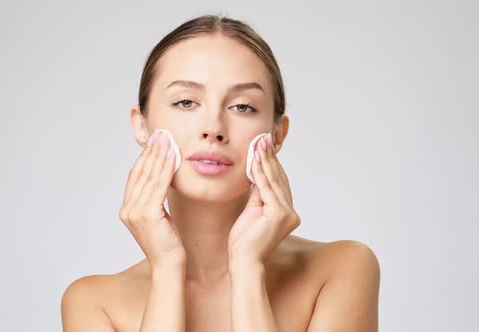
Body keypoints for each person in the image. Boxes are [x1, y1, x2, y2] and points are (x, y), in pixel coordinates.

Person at [61, 14, 380, 332]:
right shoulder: (93, 303)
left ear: (278, 134)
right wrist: (167, 269)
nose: (213, 128)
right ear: (141, 125)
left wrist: (248, 268)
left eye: (243, 106)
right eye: (186, 102)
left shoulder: (342, 269)